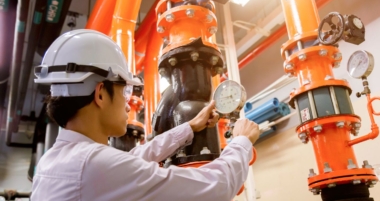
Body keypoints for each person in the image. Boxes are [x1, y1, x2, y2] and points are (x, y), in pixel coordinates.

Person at [31, 29, 260, 201]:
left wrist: (190, 127)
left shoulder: (53, 161)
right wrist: (241, 142)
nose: (129, 105)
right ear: (100, 94)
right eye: (126, 91)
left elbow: (136, 157)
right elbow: (216, 186)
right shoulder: (92, 166)